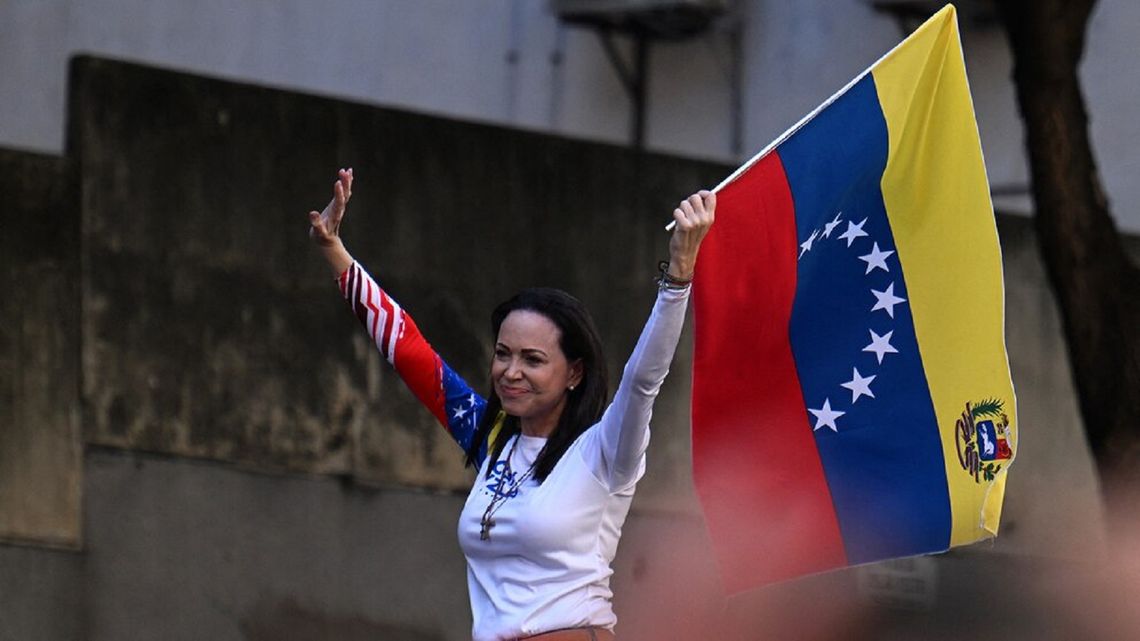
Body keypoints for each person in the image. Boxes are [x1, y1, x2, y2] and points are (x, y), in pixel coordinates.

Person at [308, 168, 715, 641]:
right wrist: (333, 251)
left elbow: (644, 380)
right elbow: (409, 351)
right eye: (503, 354)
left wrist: (679, 276)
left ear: (574, 373)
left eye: (533, 359)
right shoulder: (492, 438)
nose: (511, 371)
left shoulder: (605, 451)